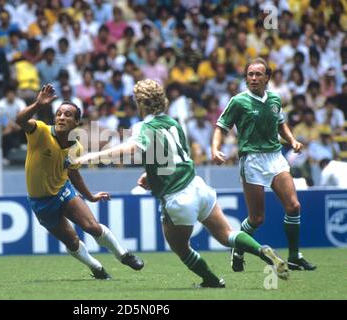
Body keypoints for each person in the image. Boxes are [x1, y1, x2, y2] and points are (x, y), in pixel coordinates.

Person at [77, 79, 289, 288]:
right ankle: (262, 250)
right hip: (198, 186)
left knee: (180, 247)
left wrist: (88, 157)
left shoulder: (142, 126)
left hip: (177, 198)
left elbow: (130, 149)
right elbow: (175, 157)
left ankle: (212, 280)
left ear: (141, 103)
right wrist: (150, 176)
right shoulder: (173, 122)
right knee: (227, 235)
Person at [15, 84, 144, 280]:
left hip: (63, 191)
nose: (61, 117)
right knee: (72, 241)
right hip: (41, 202)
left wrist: (90, 196)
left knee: (92, 227)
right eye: (59, 114)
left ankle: (124, 255)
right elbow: (20, 120)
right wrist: (38, 104)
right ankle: (97, 268)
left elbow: (73, 174)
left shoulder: (76, 146)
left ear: (76, 122)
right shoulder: (40, 131)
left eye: (67, 115)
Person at [211, 58, 316, 272]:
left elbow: (281, 123)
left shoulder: (275, 99)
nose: (254, 78)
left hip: (276, 157)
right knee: (257, 219)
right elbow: (221, 127)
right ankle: (238, 248)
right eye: (250, 74)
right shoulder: (238, 101)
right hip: (252, 160)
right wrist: (215, 149)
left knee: (294, 206)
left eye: (258, 74)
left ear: (267, 78)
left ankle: (295, 257)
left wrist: (292, 140)